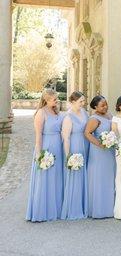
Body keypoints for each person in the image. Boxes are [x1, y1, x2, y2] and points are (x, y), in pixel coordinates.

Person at [26, 89, 64, 222]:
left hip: (58, 147)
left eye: (56, 99)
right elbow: (38, 135)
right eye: (54, 99)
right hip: (47, 147)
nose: (56, 101)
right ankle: (42, 210)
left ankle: (56, 209)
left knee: (56, 177)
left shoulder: (55, 110)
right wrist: (39, 154)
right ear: (46, 100)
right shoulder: (41, 113)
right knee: (44, 178)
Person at [84, 95, 115, 218]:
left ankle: (110, 206)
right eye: (102, 105)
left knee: (109, 176)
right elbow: (87, 133)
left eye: (106, 104)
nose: (105, 106)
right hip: (99, 152)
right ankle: (99, 208)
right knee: (99, 177)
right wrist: (100, 144)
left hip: (109, 151)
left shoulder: (109, 115)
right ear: (95, 107)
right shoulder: (94, 118)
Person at [61, 91, 89, 220]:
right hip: (75, 146)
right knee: (76, 177)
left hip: (86, 145)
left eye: (84, 101)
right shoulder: (68, 117)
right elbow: (66, 138)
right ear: (72, 102)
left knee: (85, 175)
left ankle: (85, 205)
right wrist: (68, 157)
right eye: (80, 102)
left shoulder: (84, 113)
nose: (83, 104)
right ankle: (74, 208)